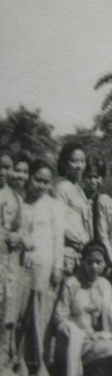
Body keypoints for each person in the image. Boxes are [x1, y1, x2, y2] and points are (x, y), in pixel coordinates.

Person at [52, 241, 112, 376]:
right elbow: (59, 318)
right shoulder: (71, 284)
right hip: (74, 342)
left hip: (97, 338)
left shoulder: (105, 286)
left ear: (104, 264)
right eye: (90, 262)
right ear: (82, 262)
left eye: (98, 262)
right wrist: (75, 331)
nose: (94, 266)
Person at [17, 160, 66, 376]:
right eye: (38, 180)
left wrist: (58, 267)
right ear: (29, 178)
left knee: (41, 318)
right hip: (18, 268)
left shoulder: (54, 206)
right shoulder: (18, 202)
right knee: (19, 316)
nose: (42, 186)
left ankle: (40, 363)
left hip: (44, 269)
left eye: (46, 182)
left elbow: (58, 240)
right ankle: (16, 361)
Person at [0, 148, 25, 373]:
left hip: (9, 264)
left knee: (8, 313)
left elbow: (24, 230)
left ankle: (4, 359)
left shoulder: (16, 197)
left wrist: (20, 236)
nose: (2, 171)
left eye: (6, 167)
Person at [55, 143, 92, 273]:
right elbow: (58, 223)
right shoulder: (62, 188)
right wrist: (77, 242)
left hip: (82, 252)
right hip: (69, 252)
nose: (79, 166)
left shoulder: (80, 190)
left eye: (82, 161)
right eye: (74, 161)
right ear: (65, 163)